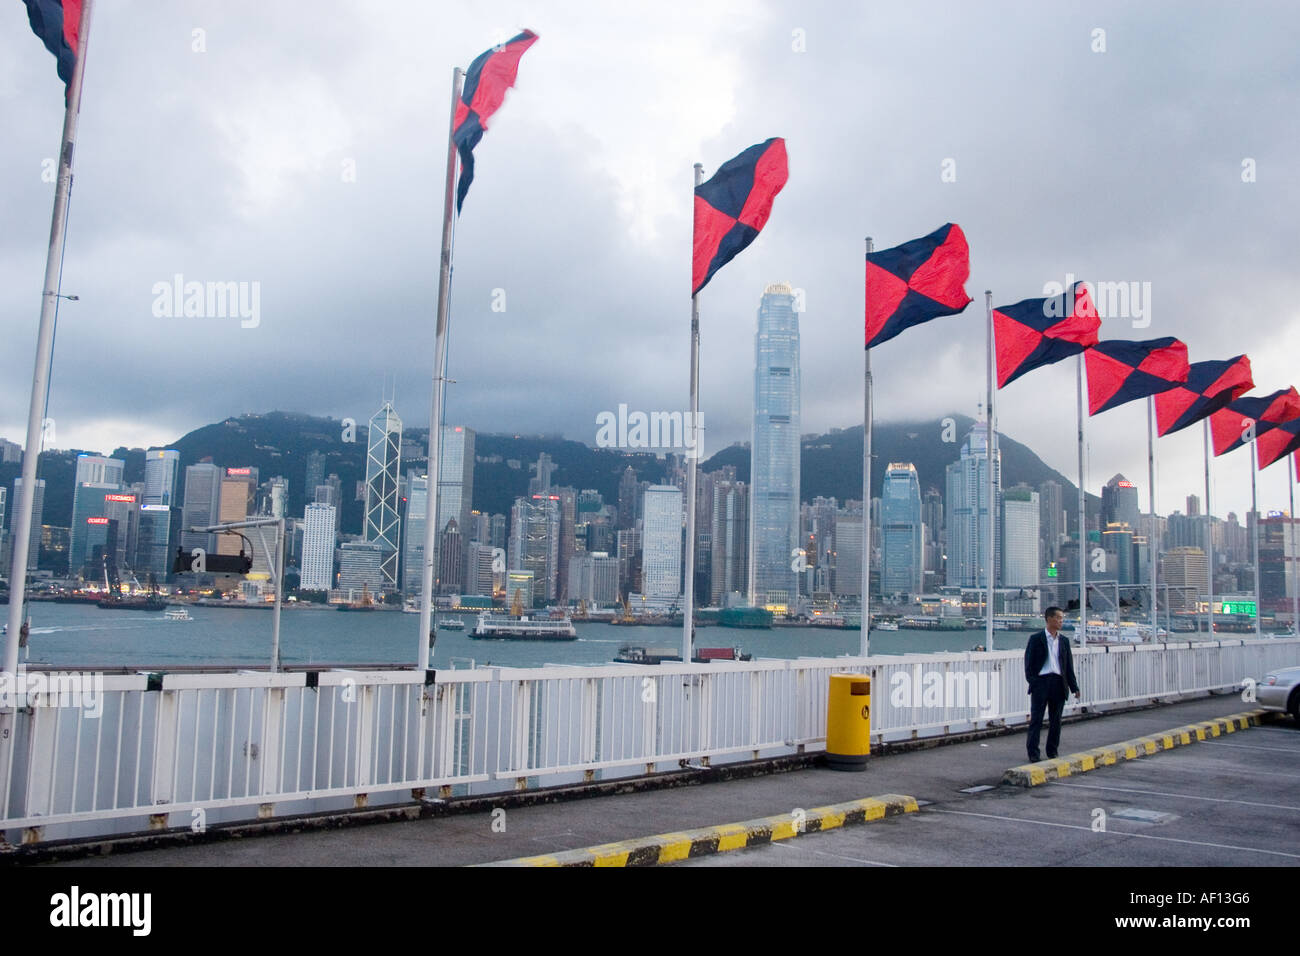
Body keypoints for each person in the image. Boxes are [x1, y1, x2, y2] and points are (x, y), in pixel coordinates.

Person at [1023, 606, 1080, 762]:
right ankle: (1033, 753)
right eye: (1059, 618)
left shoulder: (1064, 641)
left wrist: (1074, 687)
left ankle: (1052, 751)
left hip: (1058, 682)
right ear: (1049, 619)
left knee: (1056, 720)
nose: (1061, 621)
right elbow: (1028, 663)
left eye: (1062, 618)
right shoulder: (1036, 639)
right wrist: (1033, 682)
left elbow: (1068, 666)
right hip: (1041, 682)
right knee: (1037, 720)